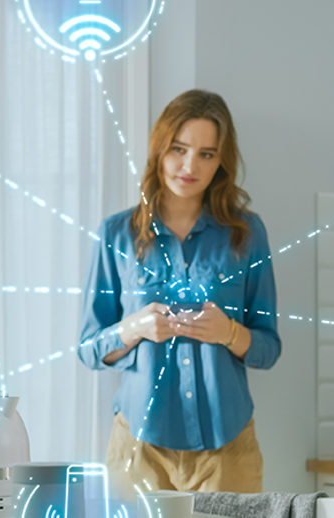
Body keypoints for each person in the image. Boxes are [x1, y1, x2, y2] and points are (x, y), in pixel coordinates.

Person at [78, 89, 281, 501]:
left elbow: (268, 348)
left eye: (207, 154)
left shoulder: (247, 234)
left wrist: (227, 332)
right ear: (159, 149)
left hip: (228, 447)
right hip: (139, 447)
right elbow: (89, 349)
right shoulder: (116, 235)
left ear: (222, 161)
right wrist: (131, 329)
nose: (190, 166)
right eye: (179, 149)